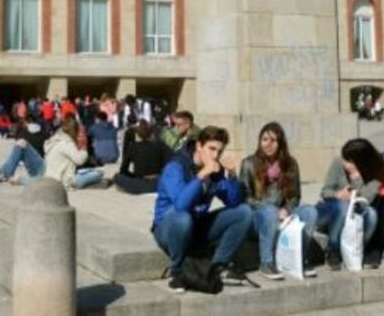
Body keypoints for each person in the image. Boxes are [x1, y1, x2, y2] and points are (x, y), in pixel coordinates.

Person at [152, 126, 252, 292]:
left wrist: (232, 175)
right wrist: (201, 175)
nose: (215, 155)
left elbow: (233, 202)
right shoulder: (176, 166)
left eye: (219, 151)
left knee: (244, 213)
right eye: (211, 149)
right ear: (199, 146)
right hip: (169, 227)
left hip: (196, 225)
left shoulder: (215, 170)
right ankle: (176, 271)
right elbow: (181, 205)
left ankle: (218, 264)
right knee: (183, 218)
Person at [239, 122, 319, 279]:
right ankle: (266, 263)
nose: (268, 144)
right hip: (258, 217)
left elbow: (295, 196)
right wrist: (271, 209)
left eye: (274, 140)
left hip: (283, 217)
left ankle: (300, 260)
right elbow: (245, 198)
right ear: (259, 141)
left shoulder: (290, 164)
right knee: (269, 212)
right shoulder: (248, 163)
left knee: (310, 211)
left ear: (280, 143)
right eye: (265, 139)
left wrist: (287, 210)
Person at [315, 138, 384, 270]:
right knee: (342, 207)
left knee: (372, 214)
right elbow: (325, 192)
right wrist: (337, 195)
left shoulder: (375, 174)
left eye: (349, 161)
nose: (345, 163)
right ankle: (333, 250)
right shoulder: (338, 163)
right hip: (332, 210)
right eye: (344, 158)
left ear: (361, 161)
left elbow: (366, 200)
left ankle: (356, 249)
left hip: (355, 213)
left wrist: (356, 182)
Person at [115, 121, 172, 194]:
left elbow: (123, 170)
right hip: (159, 181)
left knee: (117, 176)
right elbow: (170, 162)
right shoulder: (160, 145)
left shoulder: (133, 147)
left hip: (139, 183)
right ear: (152, 134)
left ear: (137, 135)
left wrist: (134, 175)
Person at [0, 116, 47, 184]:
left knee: (21, 142)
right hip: (42, 163)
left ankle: (4, 173)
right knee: (22, 142)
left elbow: (44, 179)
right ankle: (4, 172)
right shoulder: (42, 133)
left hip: (43, 170)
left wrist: (20, 180)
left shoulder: (24, 131)